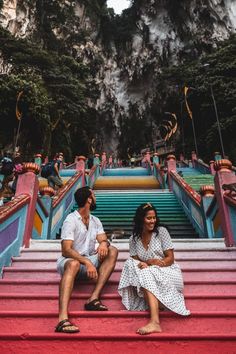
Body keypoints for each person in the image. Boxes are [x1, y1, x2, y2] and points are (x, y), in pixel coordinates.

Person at [118, 203, 190, 335]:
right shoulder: (133, 239)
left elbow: (170, 258)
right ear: (141, 220)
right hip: (148, 273)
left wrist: (156, 264)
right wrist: (147, 264)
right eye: (149, 218)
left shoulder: (161, 232)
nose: (153, 221)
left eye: (154, 218)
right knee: (130, 263)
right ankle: (158, 303)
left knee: (145, 272)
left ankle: (155, 322)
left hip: (168, 271)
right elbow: (135, 262)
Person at [56, 186, 118, 333]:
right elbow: (66, 250)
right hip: (70, 262)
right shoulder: (70, 220)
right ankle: (62, 320)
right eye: (94, 196)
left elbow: (104, 239)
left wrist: (104, 243)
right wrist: (87, 262)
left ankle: (93, 298)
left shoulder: (95, 220)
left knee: (113, 250)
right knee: (74, 263)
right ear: (89, 199)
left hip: (88, 261)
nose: (95, 198)